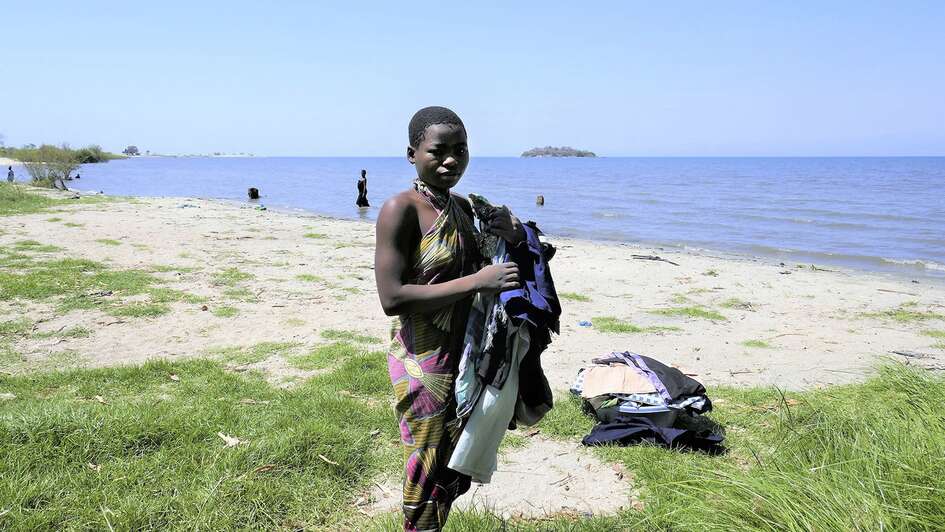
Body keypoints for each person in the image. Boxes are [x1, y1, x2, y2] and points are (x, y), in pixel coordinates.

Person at [374, 106, 524, 531]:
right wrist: (478, 281)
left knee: (454, 462)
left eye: (461, 150)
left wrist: (510, 234)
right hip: (423, 362)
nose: (450, 160)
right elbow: (392, 296)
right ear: (412, 153)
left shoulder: (461, 206)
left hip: (466, 357)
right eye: (438, 151)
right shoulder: (398, 209)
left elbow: (490, 263)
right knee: (424, 466)